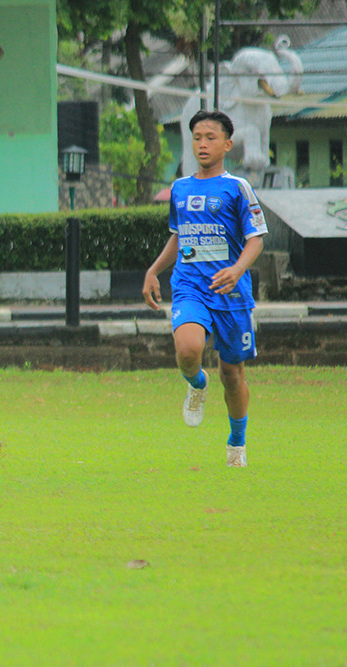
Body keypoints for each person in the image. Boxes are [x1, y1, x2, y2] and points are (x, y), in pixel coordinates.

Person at [142, 109, 267, 468]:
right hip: (189, 286)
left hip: (230, 294)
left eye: (210, 137)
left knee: (232, 374)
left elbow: (256, 238)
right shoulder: (180, 188)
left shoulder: (237, 187)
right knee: (188, 348)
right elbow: (179, 236)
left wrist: (237, 269)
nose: (202, 144)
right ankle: (197, 383)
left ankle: (237, 444)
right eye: (197, 137)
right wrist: (154, 270)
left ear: (228, 144)